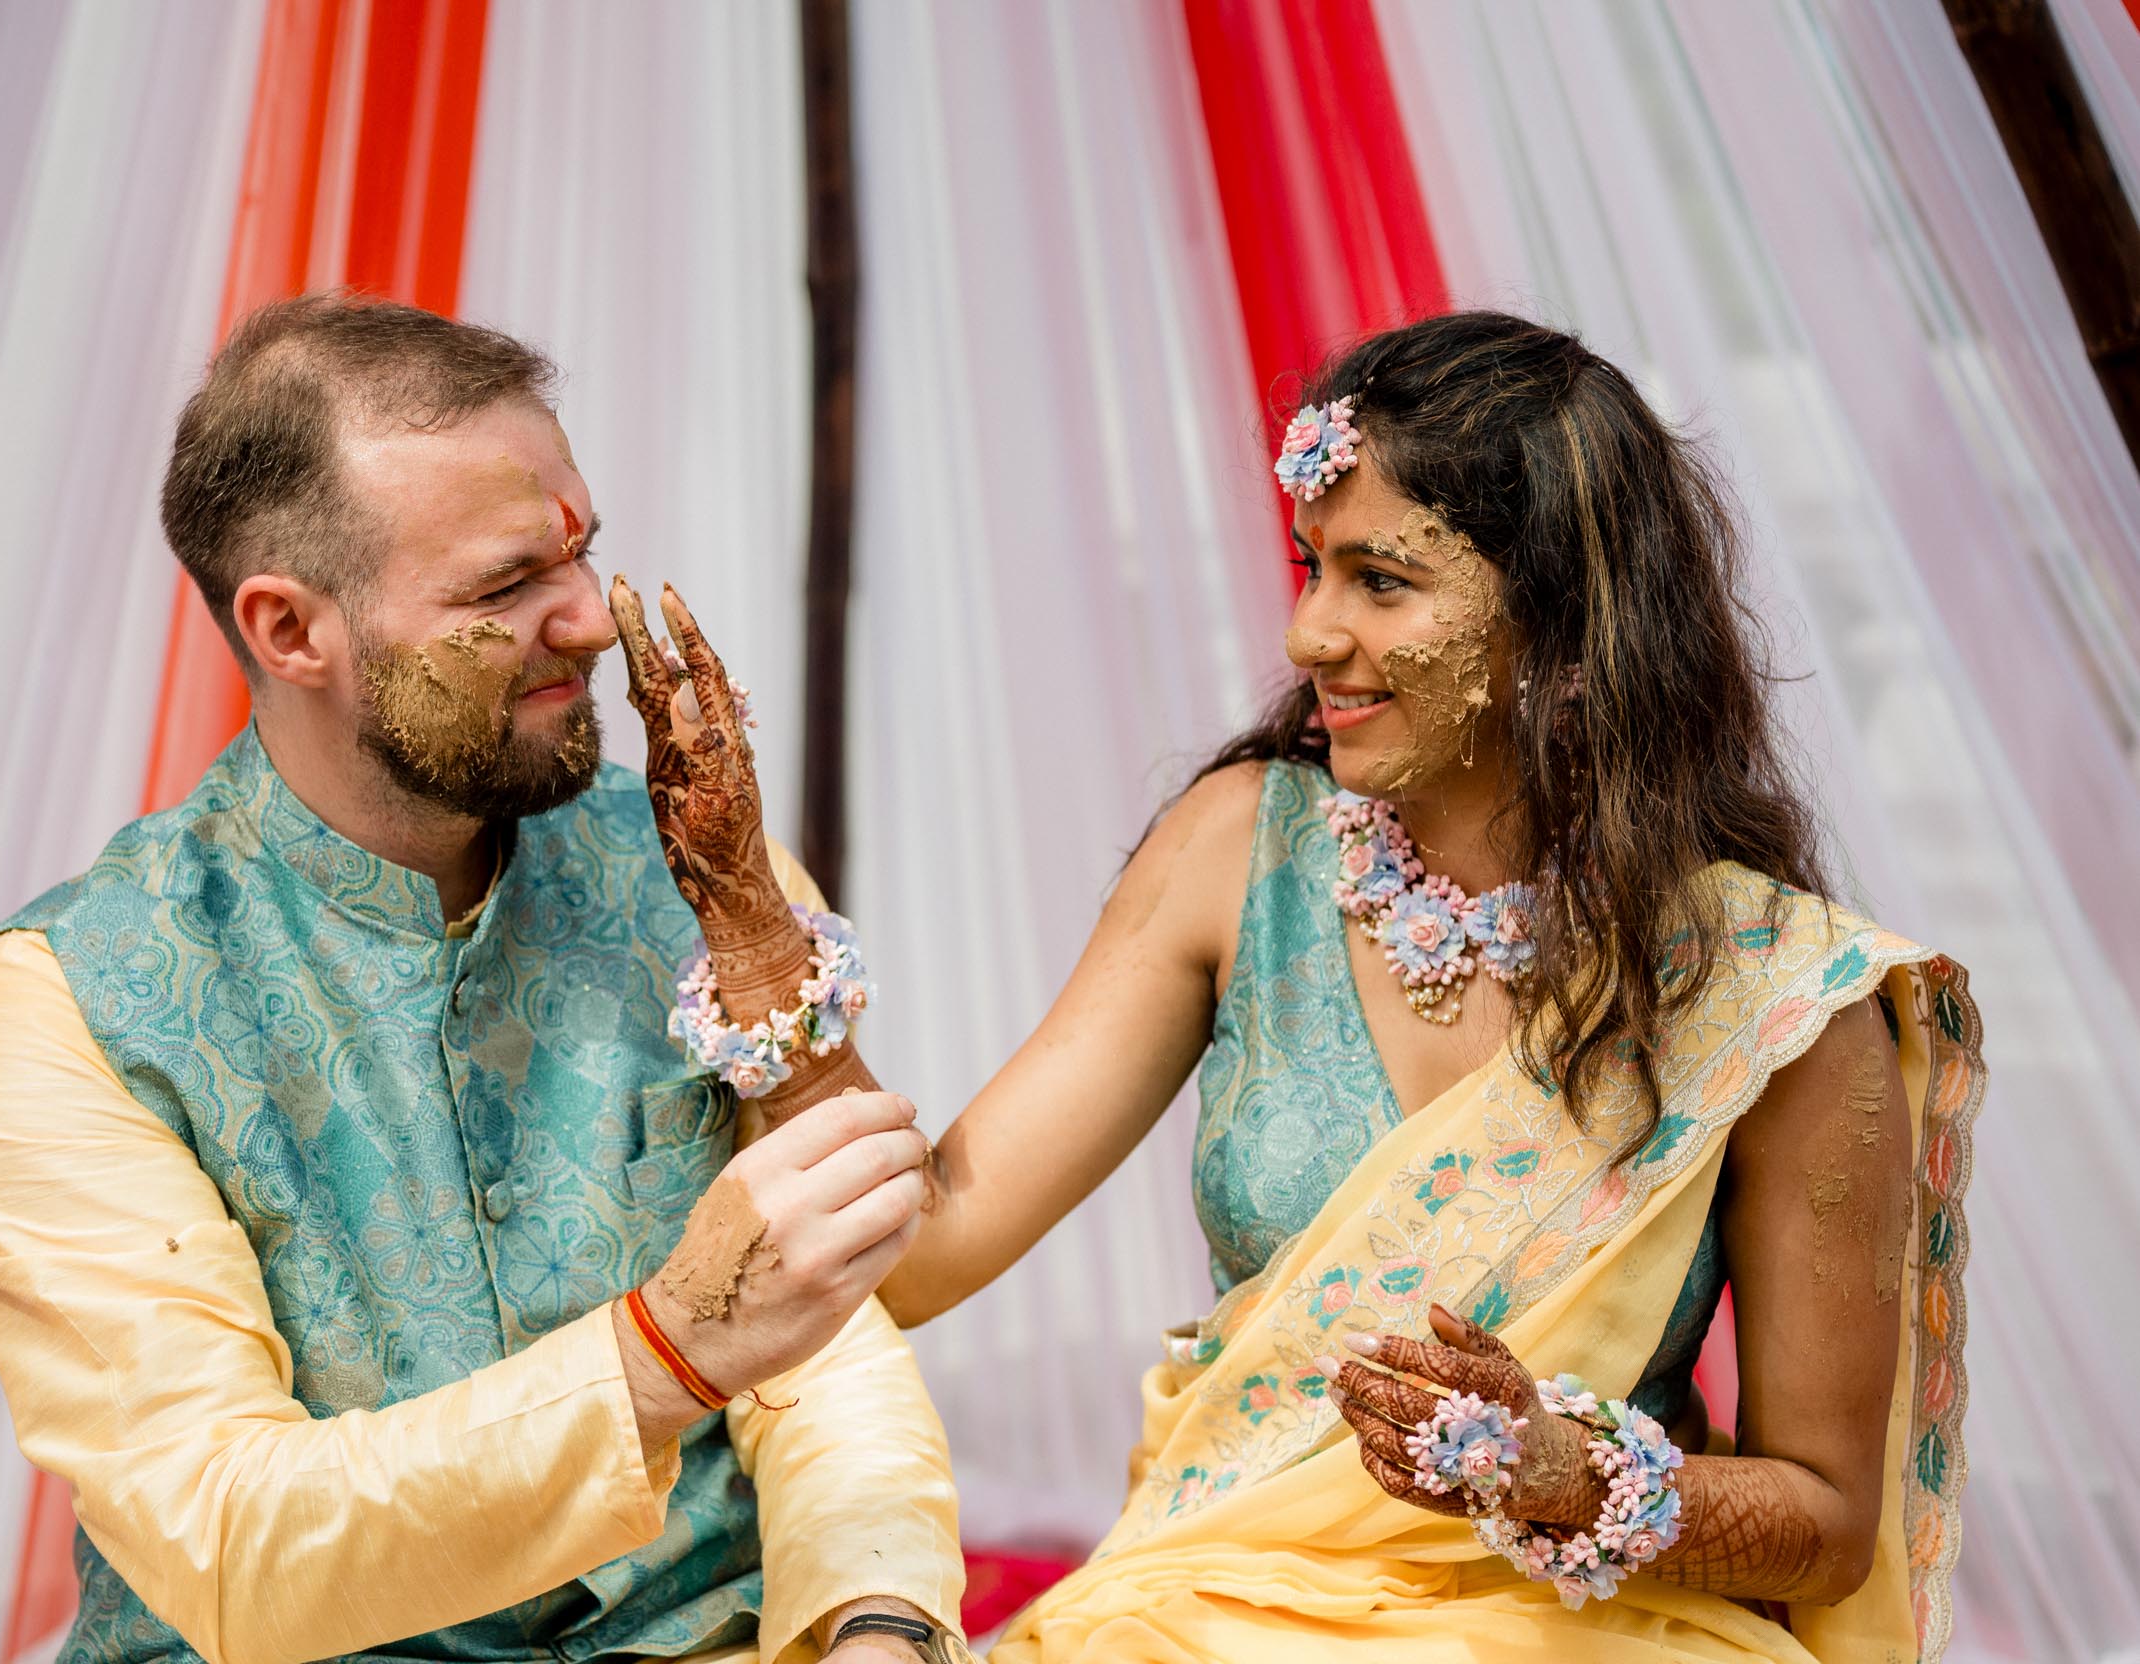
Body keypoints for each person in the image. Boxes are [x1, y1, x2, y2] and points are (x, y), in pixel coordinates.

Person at [675, 312, 1980, 1660]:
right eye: (1313, 568)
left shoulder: (1771, 994)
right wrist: (755, 933)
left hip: (1592, 1634)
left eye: (1382, 581)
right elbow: (929, 1252)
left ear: (1566, 626)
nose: (1308, 632)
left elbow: (1827, 1520)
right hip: (1212, 1610)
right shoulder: (1240, 853)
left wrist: (1565, 1475)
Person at [0, 293, 971, 1664]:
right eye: (501, 591)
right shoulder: (71, 1000)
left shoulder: (690, 859)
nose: (589, 621)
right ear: (290, 631)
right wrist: (665, 1353)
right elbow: (227, 1537)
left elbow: (827, 1338)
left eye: (579, 553)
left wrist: (879, 1622)